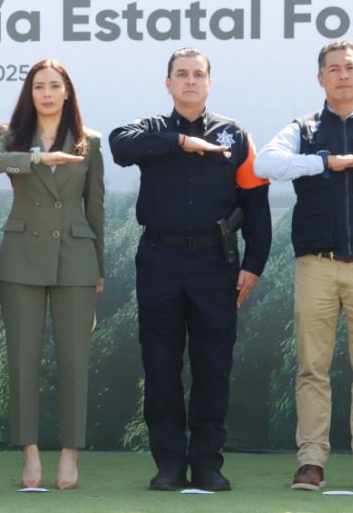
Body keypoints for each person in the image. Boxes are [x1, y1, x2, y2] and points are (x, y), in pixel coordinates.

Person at [109, 48, 271, 491]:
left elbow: (255, 204)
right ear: (168, 84)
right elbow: (118, 146)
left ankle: (207, 464)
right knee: (160, 365)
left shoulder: (235, 135)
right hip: (159, 258)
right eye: (181, 75)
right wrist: (179, 142)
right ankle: (169, 465)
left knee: (212, 365)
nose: (190, 81)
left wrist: (253, 264)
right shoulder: (150, 130)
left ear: (209, 83)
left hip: (215, 263)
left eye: (198, 75)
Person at [0, 59, 104, 490]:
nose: (47, 93)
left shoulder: (91, 142)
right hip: (22, 259)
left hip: (77, 261)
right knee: (22, 361)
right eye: (38, 87)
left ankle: (71, 453)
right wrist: (35, 157)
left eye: (55, 85)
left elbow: (95, 209)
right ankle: (29, 454)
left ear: (68, 92)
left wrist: (98, 272)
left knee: (74, 362)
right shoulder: (10, 139)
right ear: (30, 95)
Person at [254, 40, 353, 491]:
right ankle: (312, 461)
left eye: (350, 67)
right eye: (333, 68)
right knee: (312, 369)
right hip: (316, 265)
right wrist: (323, 163)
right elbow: (265, 163)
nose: (342, 74)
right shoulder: (303, 127)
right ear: (320, 78)